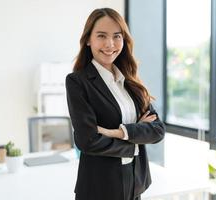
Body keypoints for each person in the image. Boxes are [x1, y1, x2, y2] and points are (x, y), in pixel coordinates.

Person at [66, 8, 165, 200]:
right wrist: (135, 142)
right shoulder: (78, 82)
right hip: (99, 188)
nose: (110, 44)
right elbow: (88, 141)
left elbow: (158, 130)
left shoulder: (130, 81)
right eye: (101, 36)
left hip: (135, 183)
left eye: (117, 36)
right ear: (88, 40)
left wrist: (118, 133)